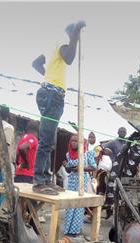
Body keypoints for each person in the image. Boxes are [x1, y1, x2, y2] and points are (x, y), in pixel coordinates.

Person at [31, 20, 85, 195]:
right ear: (70, 32)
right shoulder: (63, 41)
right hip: (51, 95)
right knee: (46, 140)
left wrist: (43, 72)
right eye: (73, 34)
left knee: (50, 140)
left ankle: (45, 178)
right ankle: (39, 181)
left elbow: (40, 65)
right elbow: (69, 59)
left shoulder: (58, 50)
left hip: (53, 94)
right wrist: (75, 34)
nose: (74, 39)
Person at [63, 135, 96, 236]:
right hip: (72, 182)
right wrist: (66, 166)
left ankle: (75, 231)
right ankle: (68, 230)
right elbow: (69, 170)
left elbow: (93, 167)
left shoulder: (87, 154)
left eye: (76, 141)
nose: (73, 143)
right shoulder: (68, 154)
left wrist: (81, 168)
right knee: (70, 205)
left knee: (79, 206)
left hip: (82, 182)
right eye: (72, 141)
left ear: (81, 143)